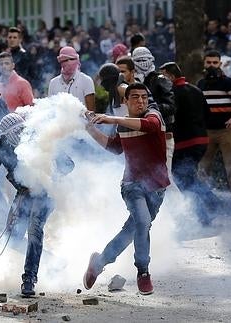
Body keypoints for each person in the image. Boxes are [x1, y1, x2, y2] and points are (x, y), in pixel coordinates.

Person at [82, 83, 169, 295]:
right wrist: (90, 129)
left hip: (157, 188)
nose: (141, 101)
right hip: (132, 185)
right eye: (135, 97)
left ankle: (99, 263)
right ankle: (143, 271)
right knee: (142, 222)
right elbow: (114, 148)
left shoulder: (153, 115)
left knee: (132, 231)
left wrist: (111, 119)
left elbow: (150, 126)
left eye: (144, 97)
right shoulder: (123, 124)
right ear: (126, 102)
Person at [0, 113, 67, 297]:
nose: (20, 135)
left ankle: (29, 279)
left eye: (22, 130)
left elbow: (68, 164)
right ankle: (53, 262)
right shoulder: (0, 145)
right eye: (15, 133)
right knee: (12, 238)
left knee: (34, 230)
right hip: (23, 194)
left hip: (44, 193)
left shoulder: (40, 136)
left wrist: (49, 174)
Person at [159, 62, 222, 225]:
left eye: (163, 76)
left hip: (184, 143)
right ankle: (204, 215)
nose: (161, 80)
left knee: (184, 178)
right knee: (188, 177)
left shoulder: (171, 94)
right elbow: (208, 114)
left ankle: (211, 203)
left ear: (171, 76)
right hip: (201, 140)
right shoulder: (196, 90)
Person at [197, 50, 231, 203]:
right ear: (204, 64)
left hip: (226, 132)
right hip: (207, 133)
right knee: (202, 171)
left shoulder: (228, 82)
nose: (211, 66)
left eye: (214, 63)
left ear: (219, 64)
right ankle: (205, 208)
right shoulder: (201, 84)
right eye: (209, 62)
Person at [131, 46, 176, 173]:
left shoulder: (161, 80)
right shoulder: (135, 81)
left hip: (163, 134)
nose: (143, 63)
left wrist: (150, 109)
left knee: (166, 179)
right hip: (143, 136)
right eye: (139, 61)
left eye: (146, 59)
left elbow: (171, 106)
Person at [48, 46, 95, 111]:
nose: (69, 62)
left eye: (72, 59)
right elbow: (51, 109)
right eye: (65, 60)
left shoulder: (86, 80)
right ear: (60, 62)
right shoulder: (53, 83)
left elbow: (91, 112)